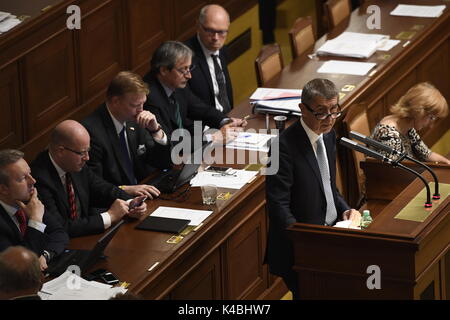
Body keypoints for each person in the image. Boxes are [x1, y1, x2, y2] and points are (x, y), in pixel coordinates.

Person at [265, 78, 360, 299]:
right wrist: (306, 243)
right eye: (321, 112)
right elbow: (278, 206)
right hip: (300, 250)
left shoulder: (328, 135)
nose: (329, 119)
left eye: (333, 110)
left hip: (328, 237)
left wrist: (345, 209)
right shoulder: (282, 147)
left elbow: (328, 185)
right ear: (302, 109)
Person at [31, 120, 147, 238]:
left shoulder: (76, 164)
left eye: (88, 151)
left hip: (85, 237)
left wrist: (132, 203)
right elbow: (60, 227)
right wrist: (109, 216)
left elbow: (101, 188)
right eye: (82, 153)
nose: (87, 158)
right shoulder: (39, 179)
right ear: (61, 151)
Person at [82, 71, 172, 198]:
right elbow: (94, 184)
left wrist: (155, 130)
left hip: (145, 194)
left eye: (143, 103)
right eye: (135, 105)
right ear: (115, 101)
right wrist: (126, 190)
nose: (141, 110)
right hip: (114, 201)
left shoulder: (135, 119)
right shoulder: (92, 132)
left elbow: (164, 162)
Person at [143, 40, 246, 148]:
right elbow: (170, 143)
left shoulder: (175, 82)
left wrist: (225, 121)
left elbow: (199, 108)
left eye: (189, 68)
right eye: (183, 70)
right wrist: (213, 138)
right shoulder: (150, 99)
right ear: (164, 70)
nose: (189, 76)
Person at [0, 149, 68, 271]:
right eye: (22, 178)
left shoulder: (29, 199)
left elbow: (60, 233)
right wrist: (35, 220)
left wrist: (45, 255)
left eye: (30, 174)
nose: (33, 181)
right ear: (3, 189)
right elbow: (20, 266)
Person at [371, 82, 450, 164]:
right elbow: (394, 173)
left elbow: (426, 154)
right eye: (431, 118)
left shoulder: (408, 126)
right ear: (419, 111)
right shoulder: (389, 135)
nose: (431, 125)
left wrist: (447, 162)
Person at [185, 4, 233, 114]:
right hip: (202, 125)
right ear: (198, 25)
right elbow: (189, 104)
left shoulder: (223, 50)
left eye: (221, 32)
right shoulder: (185, 57)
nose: (216, 38)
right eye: (210, 31)